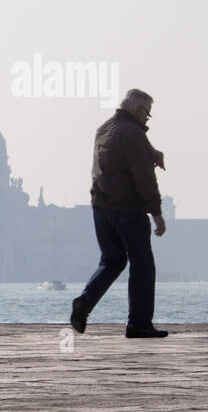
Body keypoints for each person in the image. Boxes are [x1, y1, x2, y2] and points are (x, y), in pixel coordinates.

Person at [71, 88, 169, 338]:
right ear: (138, 110)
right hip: (128, 210)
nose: (148, 119)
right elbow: (144, 177)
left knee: (112, 260)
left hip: (101, 209)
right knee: (143, 265)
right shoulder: (133, 133)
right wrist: (156, 213)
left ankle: (85, 302)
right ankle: (139, 324)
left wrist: (151, 152)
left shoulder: (104, 128)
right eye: (147, 113)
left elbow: (120, 155)